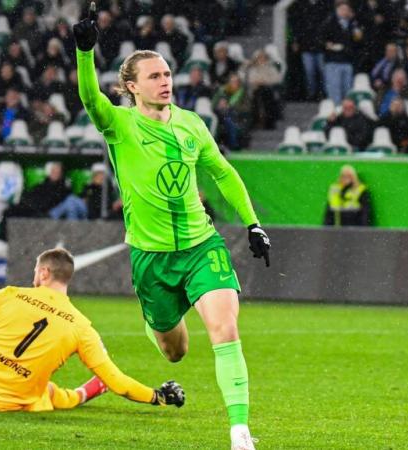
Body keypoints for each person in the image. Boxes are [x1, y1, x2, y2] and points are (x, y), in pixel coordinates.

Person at [73, 5, 270, 449]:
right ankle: (158, 321)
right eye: (155, 76)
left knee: (226, 330)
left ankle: (240, 433)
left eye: (167, 74)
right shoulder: (119, 124)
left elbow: (221, 172)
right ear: (131, 86)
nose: (166, 81)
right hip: (151, 257)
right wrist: (85, 53)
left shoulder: (191, 124)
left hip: (202, 246)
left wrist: (253, 224)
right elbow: (89, 99)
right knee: (174, 351)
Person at [0, 248, 185, 412]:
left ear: (43, 272)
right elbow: (118, 380)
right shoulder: (82, 326)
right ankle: (89, 389)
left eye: (35, 271)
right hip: (18, 400)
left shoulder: (8, 295)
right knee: (56, 395)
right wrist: (158, 396)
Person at [320, 0, 362, 103]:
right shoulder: (329, 22)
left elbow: (358, 41)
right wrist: (326, 44)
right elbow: (319, 39)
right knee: (334, 91)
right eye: (342, 9)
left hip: (347, 61)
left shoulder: (353, 24)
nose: (345, 12)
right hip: (333, 61)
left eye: (347, 10)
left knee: (347, 91)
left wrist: (358, 36)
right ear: (337, 10)